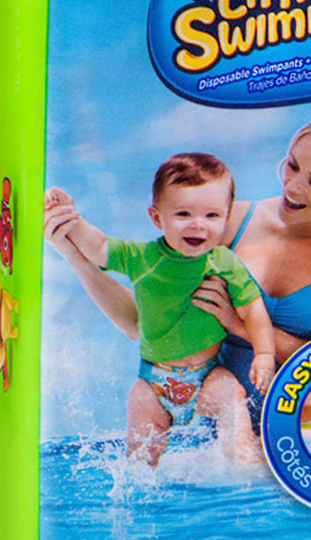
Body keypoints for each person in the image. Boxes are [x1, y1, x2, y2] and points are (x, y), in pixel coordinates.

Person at [44, 107, 311, 472]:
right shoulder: (227, 222)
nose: (293, 187)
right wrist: (75, 256)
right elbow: (139, 324)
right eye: (293, 165)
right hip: (222, 412)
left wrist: (238, 323)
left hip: (307, 405)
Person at [44, 152, 275, 467]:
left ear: (226, 217)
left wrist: (264, 354)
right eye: (183, 214)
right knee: (140, 460)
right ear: (156, 218)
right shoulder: (144, 258)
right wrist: (71, 218)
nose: (198, 224)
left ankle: (243, 467)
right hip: (154, 383)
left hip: (207, 375)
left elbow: (253, 309)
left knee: (232, 397)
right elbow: (99, 247)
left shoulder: (225, 262)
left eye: (211, 215)